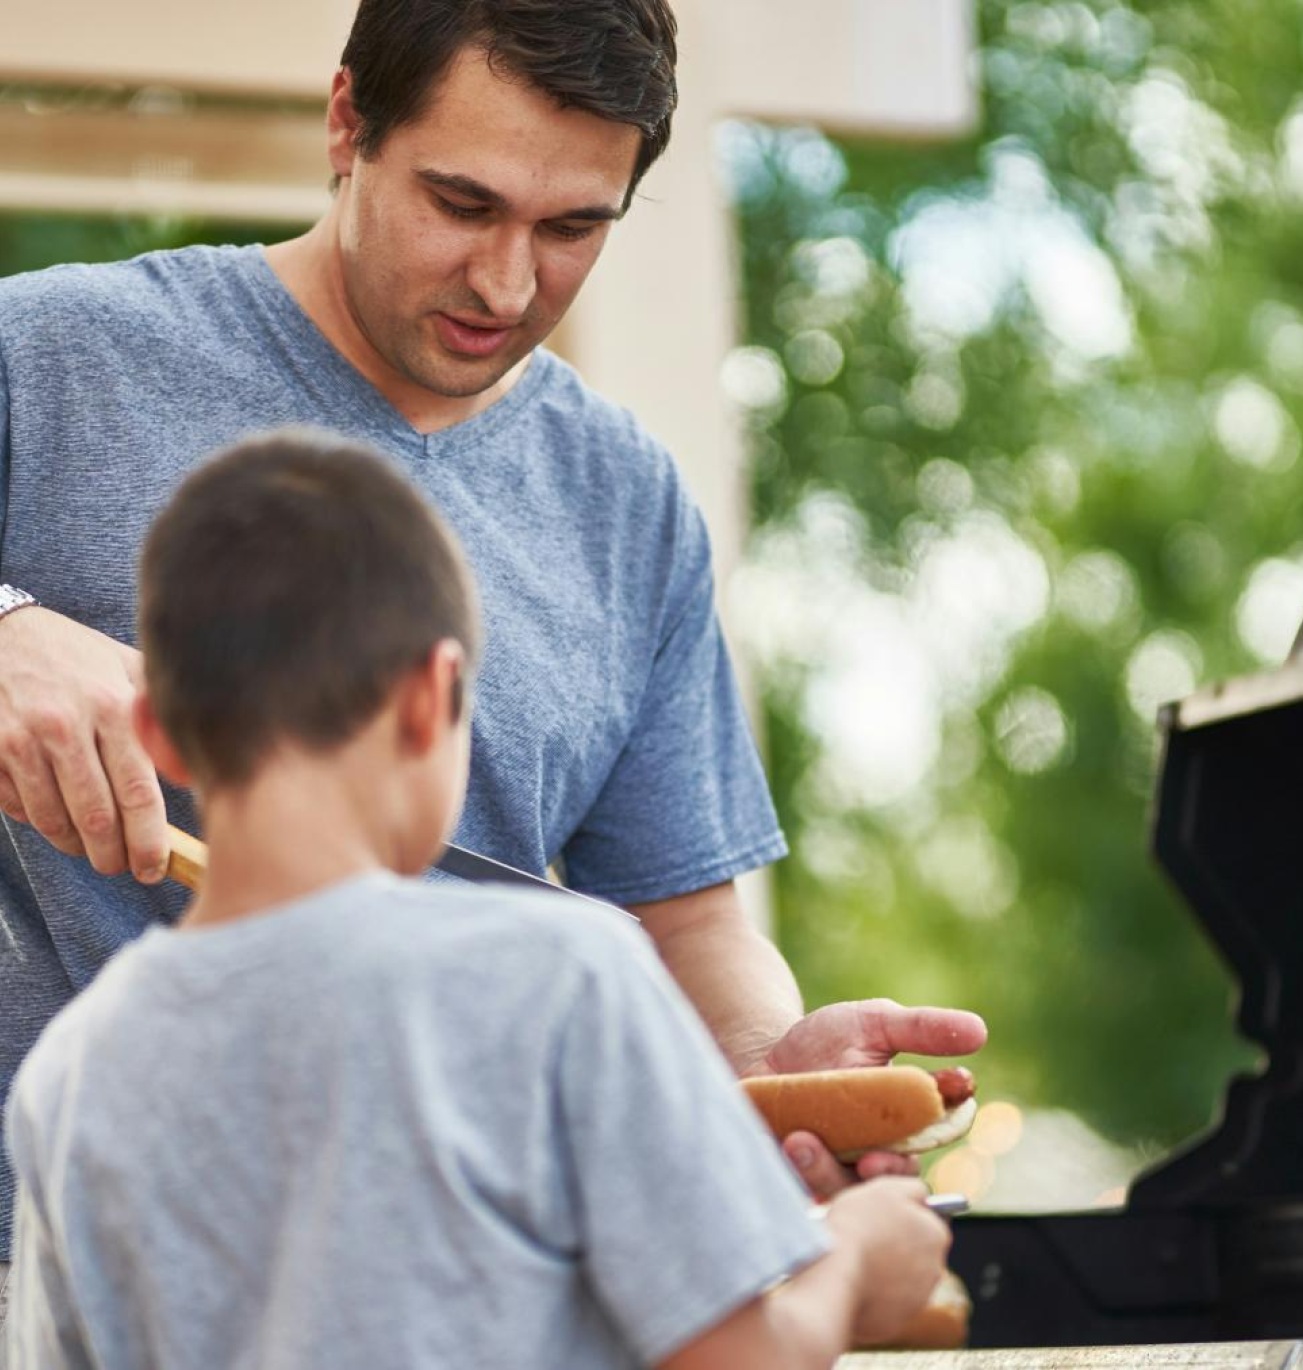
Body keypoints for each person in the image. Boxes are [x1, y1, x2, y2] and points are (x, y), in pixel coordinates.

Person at [0, 0, 985, 1287]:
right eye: (462, 204)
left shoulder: (629, 503)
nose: (508, 284)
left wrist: (765, 1071)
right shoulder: (50, 355)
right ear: (348, 123)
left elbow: (684, 926)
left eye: (573, 227)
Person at [5, 431, 953, 1369]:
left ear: (155, 734)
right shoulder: (563, 976)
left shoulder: (72, 1070)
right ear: (434, 697)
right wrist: (854, 1268)